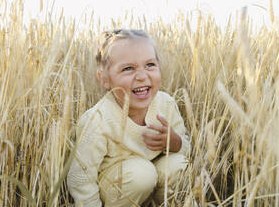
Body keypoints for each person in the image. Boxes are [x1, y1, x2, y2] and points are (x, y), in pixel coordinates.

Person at [67, 29, 189, 207]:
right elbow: (81, 179)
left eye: (150, 65)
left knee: (179, 164)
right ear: (105, 79)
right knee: (142, 174)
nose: (142, 76)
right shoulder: (98, 119)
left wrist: (175, 142)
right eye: (128, 68)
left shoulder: (166, 104)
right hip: (117, 189)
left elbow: (186, 149)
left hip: (152, 181)